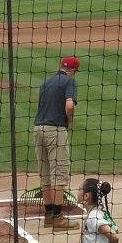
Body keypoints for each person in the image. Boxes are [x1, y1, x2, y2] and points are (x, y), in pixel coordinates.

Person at [33, 56, 80, 229]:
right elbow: (69, 106)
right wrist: (70, 121)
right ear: (73, 71)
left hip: (38, 129)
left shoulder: (46, 82)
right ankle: (58, 218)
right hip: (55, 130)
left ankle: (48, 215)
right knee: (59, 174)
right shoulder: (69, 82)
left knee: (45, 174)